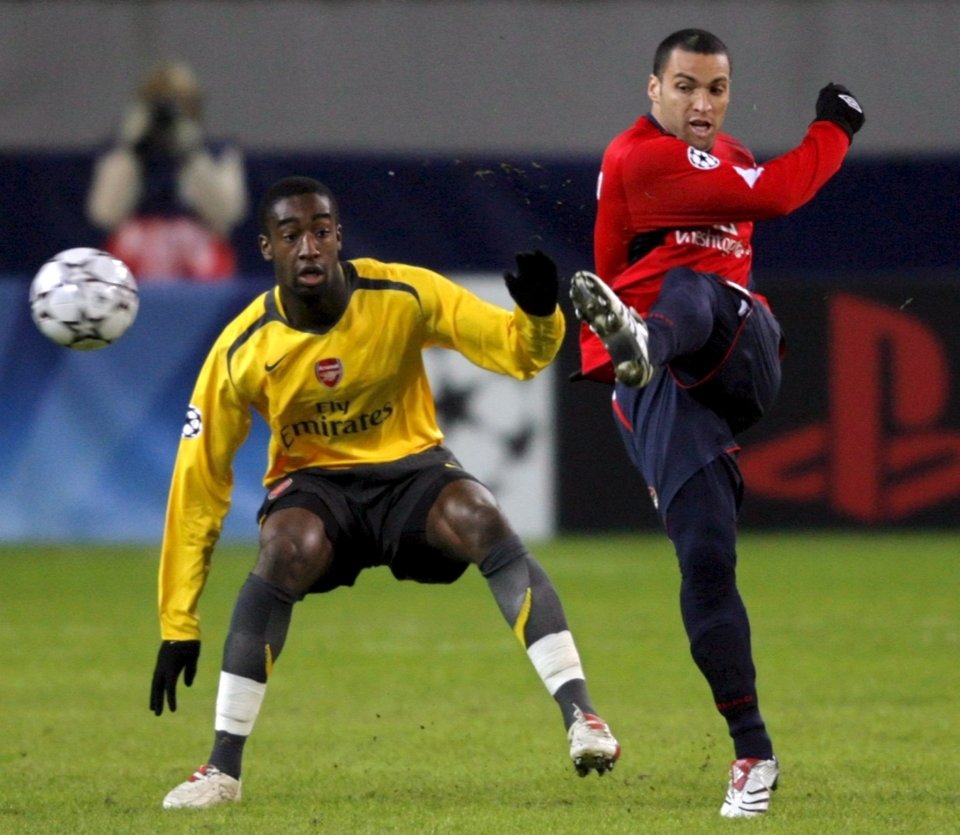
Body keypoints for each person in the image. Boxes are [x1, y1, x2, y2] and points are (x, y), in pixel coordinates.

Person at [150, 175, 620, 809]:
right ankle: (222, 770)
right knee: (283, 548)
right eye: (292, 236)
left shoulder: (402, 292)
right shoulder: (242, 349)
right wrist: (178, 621)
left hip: (411, 475)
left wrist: (539, 317)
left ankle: (582, 718)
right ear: (267, 249)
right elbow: (198, 484)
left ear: (339, 236)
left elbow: (517, 354)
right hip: (317, 491)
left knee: (482, 517)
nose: (309, 247)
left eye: (321, 231)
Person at [568, 29, 864, 818]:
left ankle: (642, 345)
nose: (703, 104)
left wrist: (828, 131)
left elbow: (769, 197)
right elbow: (778, 190)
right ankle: (753, 753)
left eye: (718, 88)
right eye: (688, 87)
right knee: (704, 558)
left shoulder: (720, 157)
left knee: (693, 291)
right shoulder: (641, 157)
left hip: (736, 345)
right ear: (653, 89)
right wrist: (835, 125)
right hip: (667, 385)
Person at [86, 60, 247, 282]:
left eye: (181, 101)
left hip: (197, 263)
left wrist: (191, 153)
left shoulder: (217, 152)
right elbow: (103, 214)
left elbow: (229, 213)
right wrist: (130, 149)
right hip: (134, 262)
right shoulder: (122, 153)